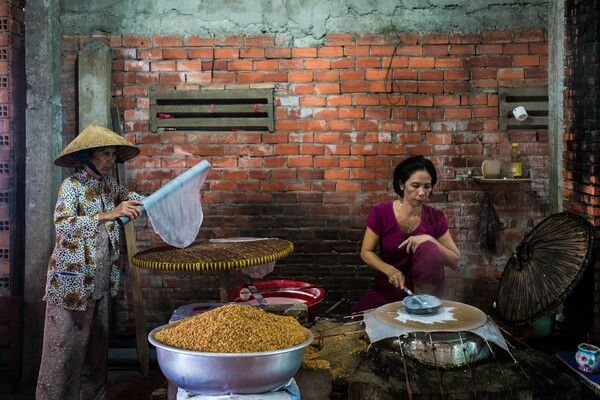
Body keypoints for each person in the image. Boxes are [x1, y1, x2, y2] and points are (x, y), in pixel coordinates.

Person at [36, 123, 144, 400]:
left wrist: (164, 198)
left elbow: (133, 199)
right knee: (63, 353)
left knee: (95, 352)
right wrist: (108, 215)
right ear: (87, 156)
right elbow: (63, 225)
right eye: (105, 154)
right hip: (71, 285)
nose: (110, 160)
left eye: (112, 155)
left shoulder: (107, 185)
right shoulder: (70, 186)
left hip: (99, 282)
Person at [350, 155, 460, 314]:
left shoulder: (436, 218)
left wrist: (430, 239)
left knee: (428, 247)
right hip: (392, 287)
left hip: (425, 294)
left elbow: (455, 262)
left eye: (427, 187)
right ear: (401, 184)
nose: (422, 193)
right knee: (356, 319)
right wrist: (389, 270)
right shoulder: (381, 213)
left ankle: (423, 312)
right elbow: (366, 252)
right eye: (415, 185)